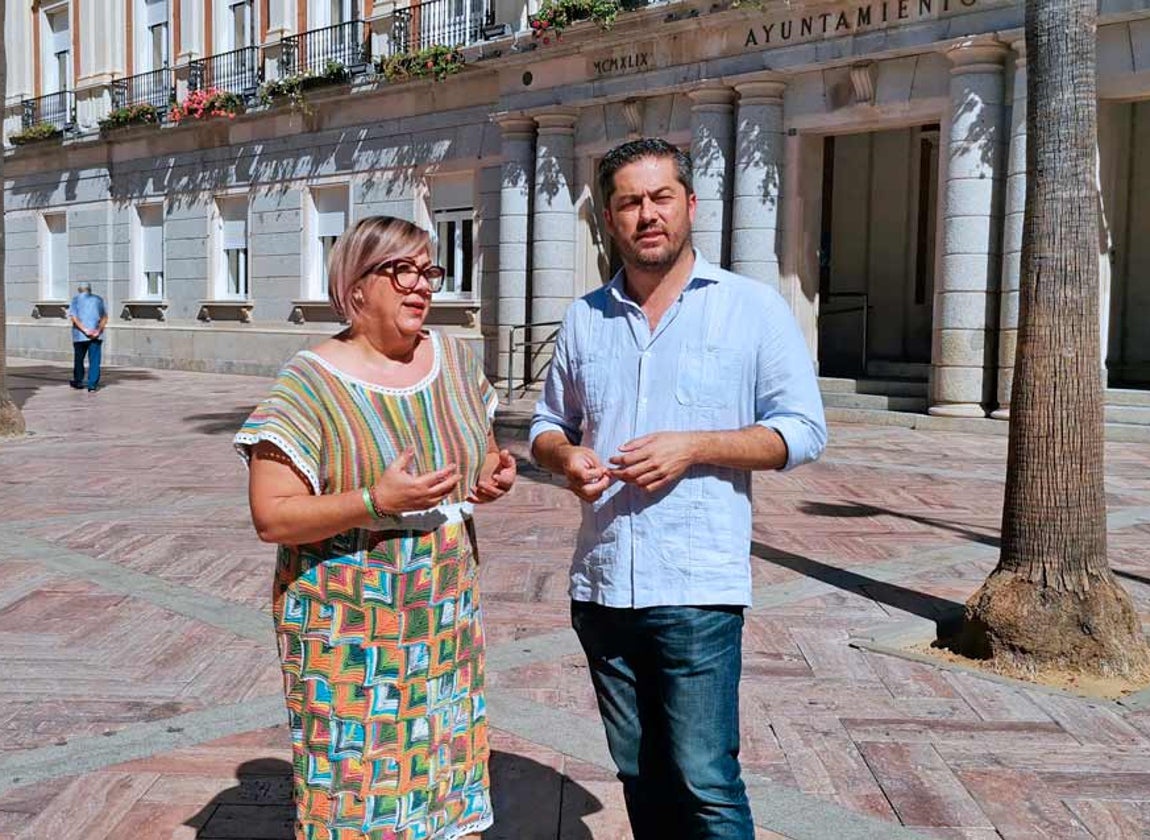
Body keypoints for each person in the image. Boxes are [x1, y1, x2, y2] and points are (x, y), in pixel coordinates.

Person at [529, 138, 827, 839]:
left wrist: (694, 446)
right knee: (641, 776)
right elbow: (547, 425)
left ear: (690, 205)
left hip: (695, 587)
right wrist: (566, 458)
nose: (647, 215)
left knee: (705, 779)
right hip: (603, 589)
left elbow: (803, 430)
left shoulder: (750, 309)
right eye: (630, 202)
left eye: (661, 197)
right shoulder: (584, 318)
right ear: (609, 219)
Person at [234, 216, 516, 840]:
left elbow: (483, 456)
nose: (421, 286)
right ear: (356, 287)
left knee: (447, 771)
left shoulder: (457, 362)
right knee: (357, 793)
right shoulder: (308, 383)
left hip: (442, 617)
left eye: (429, 271)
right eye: (403, 271)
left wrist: (493, 477)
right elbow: (271, 515)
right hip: (348, 633)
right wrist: (372, 501)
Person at [67, 282, 107, 391]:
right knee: (94, 360)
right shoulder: (98, 299)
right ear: (90, 289)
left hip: (80, 336)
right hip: (96, 335)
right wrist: (98, 331)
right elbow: (104, 317)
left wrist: (85, 330)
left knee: (79, 359)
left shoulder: (75, 300)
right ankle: (92, 385)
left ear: (79, 290)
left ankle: (78, 381)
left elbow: (74, 317)